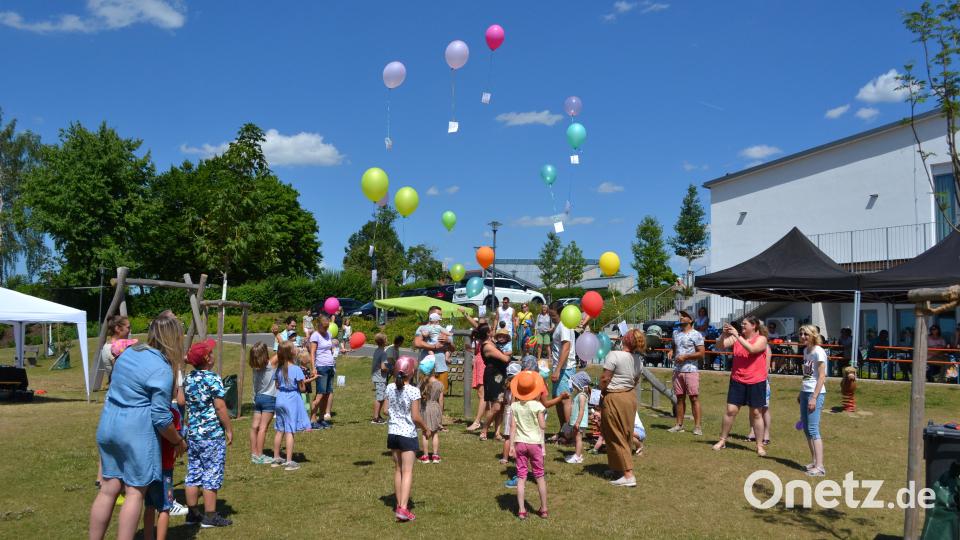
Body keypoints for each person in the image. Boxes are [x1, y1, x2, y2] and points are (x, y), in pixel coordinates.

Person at [89, 314, 186, 540]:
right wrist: (178, 440)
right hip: (134, 432)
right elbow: (161, 417)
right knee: (134, 492)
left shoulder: (129, 352)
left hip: (108, 424)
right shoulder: (162, 368)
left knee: (108, 488)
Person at [182, 338, 233, 528]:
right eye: (211, 352)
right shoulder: (212, 378)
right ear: (207, 358)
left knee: (193, 472)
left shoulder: (188, 378)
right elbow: (220, 407)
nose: (213, 354)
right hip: (211, 434)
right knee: (211, 473)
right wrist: (228, 428)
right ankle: (210, 516)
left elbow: (181, 400)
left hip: (194, 434)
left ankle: (193, 514)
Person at [712, 316, 769, 457]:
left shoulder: (761, 339)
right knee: (731, 410)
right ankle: (722, 440)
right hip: (738, 380)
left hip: (756, 381)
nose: (742, 327)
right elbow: (719, 346)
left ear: (754, 325)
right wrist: (723, 334)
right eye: (742, 325)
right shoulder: (738, 337)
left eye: (745, 324)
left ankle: (759, 445)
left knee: (756, 413)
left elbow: (752, 349)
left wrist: (737, 336)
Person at [385, 356, 429, 522]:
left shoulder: (389, 387)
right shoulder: (413, 391)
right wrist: (426, 428)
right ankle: (403, 509)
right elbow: (416, 416)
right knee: (408, 471)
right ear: (411, 373)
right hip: (407, 435)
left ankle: (399, 504)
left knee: (398, 470)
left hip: (393, 433)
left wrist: (396, 414)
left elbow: (385, 410)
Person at [599, 329, 644, 487]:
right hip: (630, 396)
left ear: (625, 340)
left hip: (615, 396)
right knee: (622, 432)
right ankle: (617, 467)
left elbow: (605, 378)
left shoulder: (614, 355)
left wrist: (601, 393)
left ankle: (628, 474)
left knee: (615, 433)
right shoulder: (638, 359)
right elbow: (636, 380)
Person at [508, 371, 548, 520]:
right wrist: (542, 421)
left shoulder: (515, 406)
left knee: (521, 477)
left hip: (520, 444)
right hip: (535, 444)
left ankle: (522, 510)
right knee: (539, 476)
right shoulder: (538, 406)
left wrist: (511, 446)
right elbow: (542, 426)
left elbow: (512, 427)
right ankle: (543, 509)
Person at [142, 405, 182, 540]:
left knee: (149, 506)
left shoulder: (145, 412)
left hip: (147, 467)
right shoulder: (173, 414)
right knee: (165, 508)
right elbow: (176, 441)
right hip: (165, 469)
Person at [272, 341, 313, 470]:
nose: (297, 349)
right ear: (291, 353)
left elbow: (277, 385)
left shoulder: (279, 368)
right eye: (294, 348)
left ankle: (276, 458)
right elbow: (301, 388)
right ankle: (289, 461)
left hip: (280, 399)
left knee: (280, 429)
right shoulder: (296, 369)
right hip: (291, 400)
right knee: (290, 430)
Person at [796, 324, 829, 476]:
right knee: (807, 429)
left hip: (815, 393)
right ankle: (814, 461)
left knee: (814, 429)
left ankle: (820, 467)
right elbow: (808, 374)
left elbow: (822, 376)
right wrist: (801, 392)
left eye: (806, 334)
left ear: (813, 335)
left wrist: (814, 398)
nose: (803, 337)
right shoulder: (805, 351)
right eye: (801, 334)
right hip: (805, 391)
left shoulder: (818, 352)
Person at [666, 311, 705, 435]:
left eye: (684, 316)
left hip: (691, 370)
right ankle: (679, 425)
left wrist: (686, 357)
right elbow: (674, 346)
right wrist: (671, 351)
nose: (681, 317)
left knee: (694, 398)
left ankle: (697, 427)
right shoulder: (676, 333)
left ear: (691, 320)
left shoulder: (696, 334)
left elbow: (701, 353)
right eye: (681, 315)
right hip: (677, 370)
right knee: (679, 398)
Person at [477, 324, 512, 441]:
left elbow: (478, 328)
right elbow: (505, 359)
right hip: (493, 376)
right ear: (487, 333)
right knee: (496, 406)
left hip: (501, 375)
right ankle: (484, 429)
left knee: (501, 405)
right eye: (491, 329)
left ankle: (497, 433)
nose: (493, 330)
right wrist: (508, 355)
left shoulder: (492, 342)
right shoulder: (487, 346)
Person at [548, 301, 576, 436]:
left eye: (552, 315)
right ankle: (563, 431)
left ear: (559, 313)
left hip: (565, 369)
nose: (551, 318)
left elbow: (566, 347)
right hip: (559, 368)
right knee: (558, 399)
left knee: (565, 400)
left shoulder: (564, 325)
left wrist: (558, 369)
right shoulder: (560, 325)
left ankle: (569, 434)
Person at [248, 343, 277, 464]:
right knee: (263, 428)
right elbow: (284, 349)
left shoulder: (255, 367)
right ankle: (260, 455)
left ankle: (254, 453)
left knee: (255, 427)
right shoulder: (271, 364)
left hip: (258, 398)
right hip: (269, 398)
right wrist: (277, 335)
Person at [414, 308, 451, 394]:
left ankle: (439, 408)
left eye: (441, 314)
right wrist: (434, 347)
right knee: (425, 392)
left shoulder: (442, 328)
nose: (441, 316)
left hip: (442, 367)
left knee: (441, 393)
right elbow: (417, 343)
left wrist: (448, 341)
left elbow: (452, 348)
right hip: (427, 367)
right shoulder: (422, 328)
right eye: (439, 314)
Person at [309, 316, 335, 429]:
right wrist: (313, 367)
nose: (326, 329)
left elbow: (329, 349)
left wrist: (341, 350)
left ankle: (322, 418)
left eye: (327, 327)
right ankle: (312, 419)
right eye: (324, 327)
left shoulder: (328, 333)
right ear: (319, 325)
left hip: (330, 366)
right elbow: (312, 353)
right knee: (320, 394)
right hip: (321, 367)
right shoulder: (315, 335)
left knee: (327, 393)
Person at [418, 361, 444, 464]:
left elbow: (419, 399)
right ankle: (435, 456)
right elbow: (441, 401)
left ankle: (425, 456)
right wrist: (440, 412)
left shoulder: (421, 383)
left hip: (424, 408)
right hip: (435, 408)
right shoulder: (439, 384)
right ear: (434, 370)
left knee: (425, 433)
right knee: (435, 433)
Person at [565, 371, 592, 464]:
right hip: (576, 421)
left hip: (579, 422)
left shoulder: (582, 396)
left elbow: (582, 410)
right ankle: (577, 454)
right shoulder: (578, 395)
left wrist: (577, 422)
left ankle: (577, 456)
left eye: (574, 383)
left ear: (579, 384)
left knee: (578, 438)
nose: (573, 385)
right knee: (576, 438)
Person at [99, 314, 131, 387]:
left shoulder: (109, 346)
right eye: (128, 327)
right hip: (122, 389)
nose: (129, 330)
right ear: (117, 329)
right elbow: (123, 371)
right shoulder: (112, 348)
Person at [371, 333, 389, 424]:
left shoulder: (377, 350)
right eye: (386, 339)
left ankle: (378, 415)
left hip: (376, 377)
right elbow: (383, 367)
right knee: (379, 398)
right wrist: (389, 369)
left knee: (381, 396)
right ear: (384, 342)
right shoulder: (383, 353)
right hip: (380, 378)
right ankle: (375, 418)